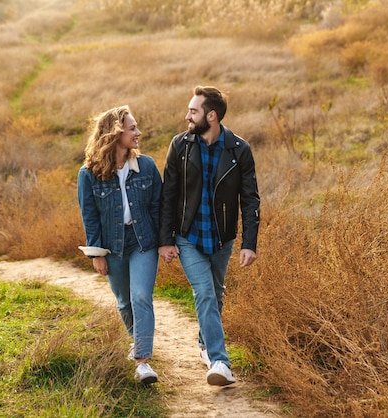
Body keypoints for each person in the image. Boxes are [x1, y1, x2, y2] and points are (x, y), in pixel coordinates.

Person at [158, 86, 260, 386]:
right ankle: (220, 361)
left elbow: (250, 199)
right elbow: (169, 195)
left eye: (193, 111)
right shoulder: (180, 146)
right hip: (188, 237)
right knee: (204, 292)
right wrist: (165, 240)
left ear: (211, 115)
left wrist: (248, 243)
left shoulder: (239, 150)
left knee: (215, 294)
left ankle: (204, 343)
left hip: (221, 239)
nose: (187, 116)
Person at [77, 105, 162, 385]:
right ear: (115, 134)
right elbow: (90, 217)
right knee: (124, 301)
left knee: (140, 297)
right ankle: (135, 339)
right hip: (112, 247)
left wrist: (165, 243)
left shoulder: (147, 166)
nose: (138, 133)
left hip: (143, 242)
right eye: (132, 129)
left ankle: (142, 362)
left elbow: (159, 208)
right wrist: (96, 254)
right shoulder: (89, 174)